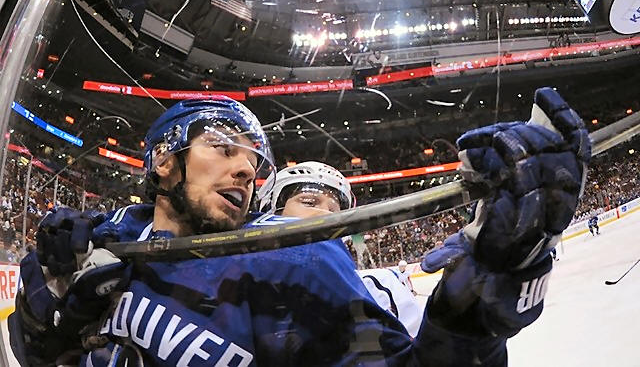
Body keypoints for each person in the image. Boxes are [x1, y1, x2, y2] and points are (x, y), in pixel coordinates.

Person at [11, 88, 590, 366]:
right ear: (164, 158)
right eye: (224, 146)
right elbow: (36, 353)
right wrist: (50, 300)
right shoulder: (108, 240)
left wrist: (484, 298)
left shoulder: (296, 266)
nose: (245, 168)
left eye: (253, 161)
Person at [257, 161, 423, 337]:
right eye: (309, 202)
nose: (326, 214)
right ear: (271, 211)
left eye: (334, 210)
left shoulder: (378, 287)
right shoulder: (245, 288)